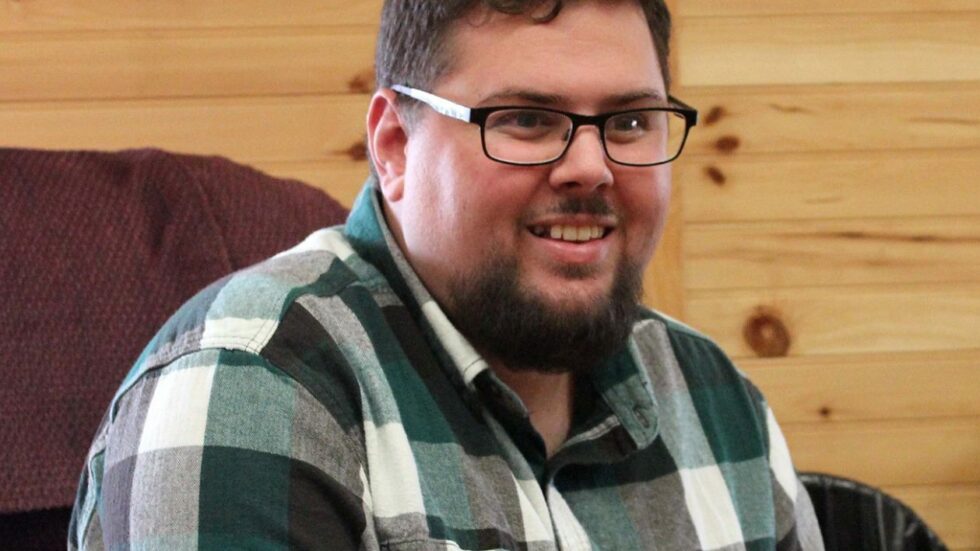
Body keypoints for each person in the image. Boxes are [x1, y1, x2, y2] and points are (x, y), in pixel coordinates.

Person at [70, 1, 824, 549]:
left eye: (629, 122)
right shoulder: (245, 388)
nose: (592, 167)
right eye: (527, 119)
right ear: (394, 145)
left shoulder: (720, 403)